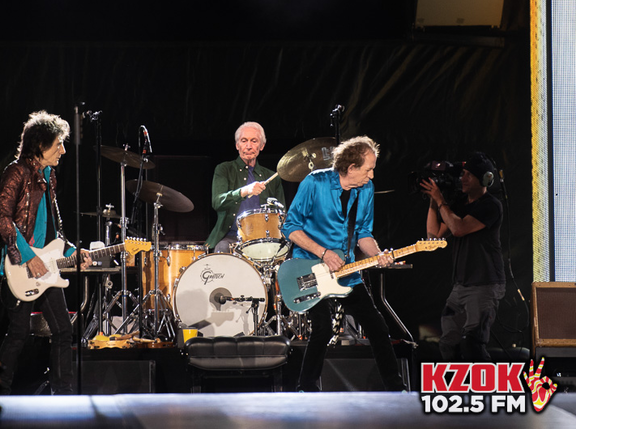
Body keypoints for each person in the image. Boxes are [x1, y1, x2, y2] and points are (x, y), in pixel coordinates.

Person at [281, 136, 405, 392]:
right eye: (368, 169)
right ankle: (306, 388)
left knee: (378, 327)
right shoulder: (314, 182)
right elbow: (290, 226)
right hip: (309, 269)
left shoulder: (365, 190)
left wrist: (379, 255)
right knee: (323, 329)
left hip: (346, 272)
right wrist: (323, 252)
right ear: (351, 168)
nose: (371, 176)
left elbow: (363, 233)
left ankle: (397, 389)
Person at [0, 110, 92, 394]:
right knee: (19, 334)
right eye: (58, 143)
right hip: (21, 265)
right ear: (40, 145)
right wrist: (28, 257)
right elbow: (3, 219)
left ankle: (63, 395)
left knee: (63, 330)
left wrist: (75, 252)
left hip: (46, 266)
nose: (63, 150)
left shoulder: (49, 177)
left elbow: (53, 230)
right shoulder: (16, 172)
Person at [420, 152, 506, 362]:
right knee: (449, 342)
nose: (462, 179)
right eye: (463, 174)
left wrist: (441, 201)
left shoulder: (491, 205)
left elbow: (458, 228)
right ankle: (458, 389)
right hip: (461, 287)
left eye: (468, 175)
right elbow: (434, 236)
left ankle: (488, 390)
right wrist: (433, 202)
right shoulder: (459, 204)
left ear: (485, 179)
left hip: (485, 284)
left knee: (473, 342)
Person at [206, 121, 286, 253]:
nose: (248, 146)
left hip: (264, 238)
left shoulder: (272, 176)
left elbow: (282, 214)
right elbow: (217, 202)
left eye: (254, 141)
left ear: (262, 146)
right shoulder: (224, 169)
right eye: (244, 141)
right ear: (237, 145)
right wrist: (244, 191)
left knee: (283, 251)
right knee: (222, 248)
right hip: (231, 237)